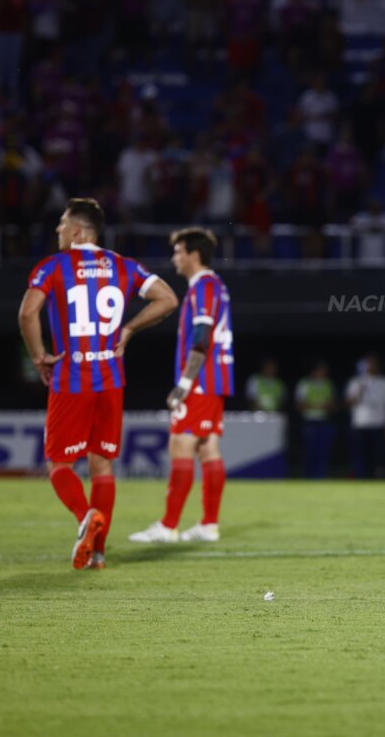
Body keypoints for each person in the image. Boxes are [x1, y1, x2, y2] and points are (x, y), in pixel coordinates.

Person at [17, 198, 178, 569]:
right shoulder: (124, 266)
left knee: (59, 466)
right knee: (102, 466)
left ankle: (84, 516)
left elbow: (28, 312)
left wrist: (39, 355)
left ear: (76, 231)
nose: (57, 231)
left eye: (61, 224)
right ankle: (98, 553)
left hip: (71, 378)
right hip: (110, 379)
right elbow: (168, 299)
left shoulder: (54, 266)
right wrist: (130, 328)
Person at [129, 228, 233, 544]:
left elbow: (200, 340)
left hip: (200, 381)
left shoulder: (202, 287)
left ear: (192, 254)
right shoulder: (217, 286)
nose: (174, 257)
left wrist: (184, 383)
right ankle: (208, 524)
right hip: (215, 380)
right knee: (208, 447)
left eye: (178, 251)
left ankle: (168, 526)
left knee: (181, 444)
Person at [345, 355, 385, 478]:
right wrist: (360, 391)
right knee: (360, 454)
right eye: (367, 364)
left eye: (373, 364)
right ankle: (361, 477)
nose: (370, 367)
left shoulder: (384, 382)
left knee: (379, 454)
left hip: (379, 423)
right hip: (360, 424)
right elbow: (349, 403)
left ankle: (378, 478)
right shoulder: (355, 382)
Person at [297, 362, 338, 478]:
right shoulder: (305, 383)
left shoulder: (328, 384)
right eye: (321, 370)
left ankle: (321, 477)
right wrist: (319, 406)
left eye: (325, 370)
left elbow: (333, 405)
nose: (324, 373)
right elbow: (300, 404)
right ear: (314, 371)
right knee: (310, 451)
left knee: (323, 451)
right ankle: (308, 476)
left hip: (324, 421)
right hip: (310, 421)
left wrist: (325, 406)